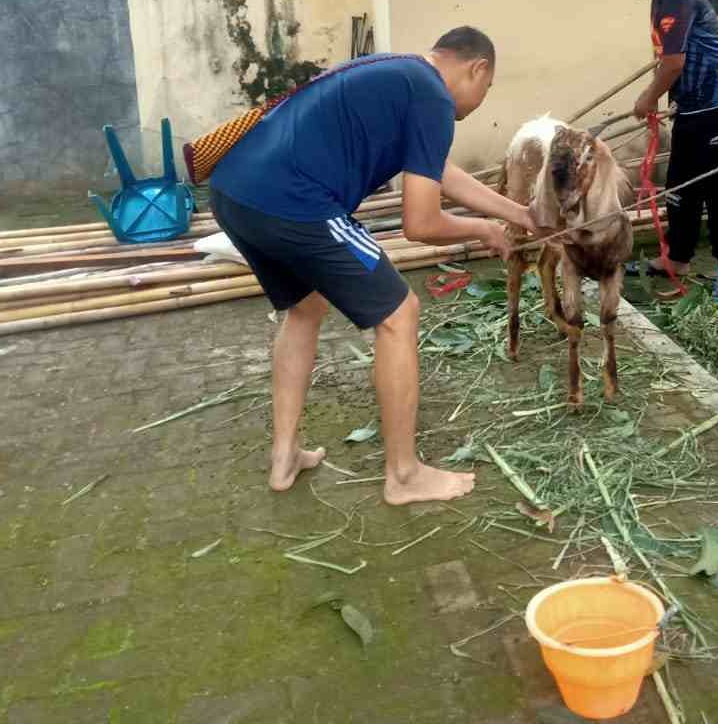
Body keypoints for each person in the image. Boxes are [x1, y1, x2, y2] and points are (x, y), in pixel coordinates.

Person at [207, 27, 537, 506]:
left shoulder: (401, 76)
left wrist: (518, 215)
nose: (480, 101)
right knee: (399, 313)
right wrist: (482, 230)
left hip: (234, 191)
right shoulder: (431, 96)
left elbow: (442, 173)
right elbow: (420, 223)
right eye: (486, 89)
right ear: (477, 68)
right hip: (293, 199)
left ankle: (285, 456)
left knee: (306, 308)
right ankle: (403, 475)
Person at [608, 0, 718, 298]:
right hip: (692, 105)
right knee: (680, 186)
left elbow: (673, 63)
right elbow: (671, 61)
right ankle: (677, 257)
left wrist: (647, 98)